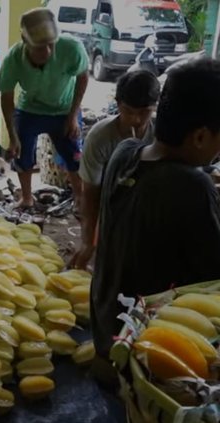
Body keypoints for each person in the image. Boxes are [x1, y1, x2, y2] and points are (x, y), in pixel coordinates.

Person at [91, 57, 220, 360]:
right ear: (200, 136)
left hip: (107, 324)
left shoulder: (125, 153)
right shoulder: (190, 186)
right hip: (144, 347)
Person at [0, 7, 89, 210]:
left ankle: (80, 198)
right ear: (24, 40)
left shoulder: (71, 47)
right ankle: (27, 198)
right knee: (22, 153)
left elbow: (83, 77)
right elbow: (6, 97)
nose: (47, 52)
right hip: (30, 109)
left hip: (65, 109)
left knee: (73, 155)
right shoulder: (13, 59)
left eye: (50, 45)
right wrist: (12, 136)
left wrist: (73, 116)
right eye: (39, 47)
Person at [70, 71, 161, 269]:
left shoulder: (162, 135)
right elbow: (91, 194)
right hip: (110, 204)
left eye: (144, 112)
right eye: (128, 111)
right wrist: (88, 241)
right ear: (118, 104)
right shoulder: (100, 137)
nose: (136, 119)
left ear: (155, 107)